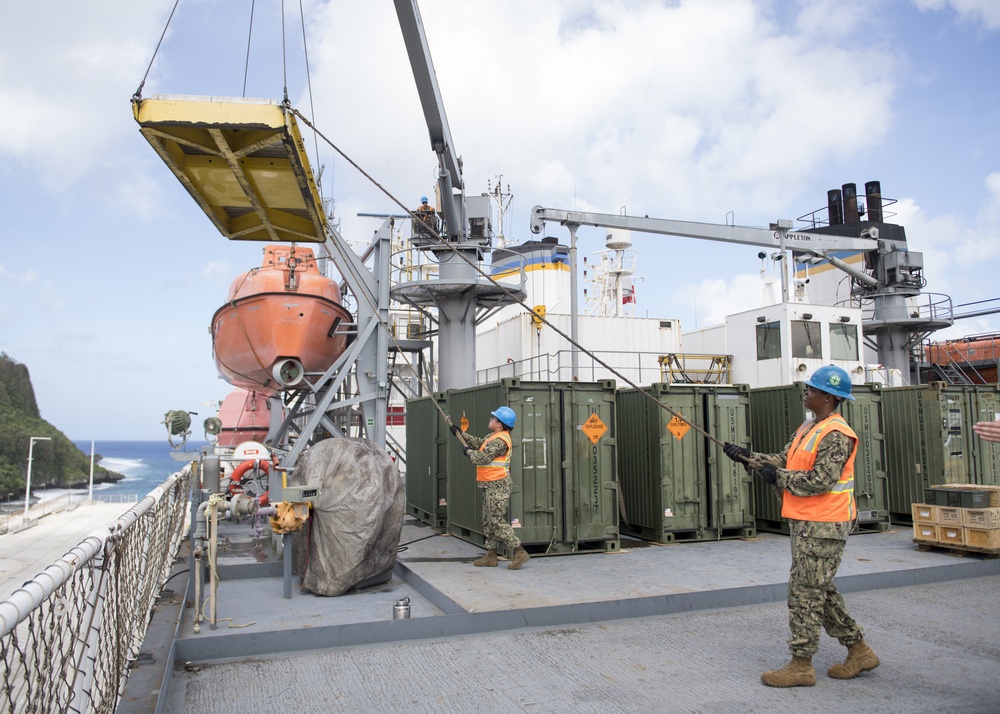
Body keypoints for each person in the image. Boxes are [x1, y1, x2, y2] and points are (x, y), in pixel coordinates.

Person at [722, 365, 879, 688]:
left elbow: (820, 480)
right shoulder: (809, 427)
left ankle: (801, 665)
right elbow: (784, 460)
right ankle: (859, 650)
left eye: (812, 389)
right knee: (819, 589)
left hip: (825, 524)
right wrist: (749, 458)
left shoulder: (836, 434)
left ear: (829, 398)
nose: (806, 392)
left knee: (804, 593)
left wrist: (776, 477)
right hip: (808, 523)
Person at [450, 407, 530, 570]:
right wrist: (461, 434)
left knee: (496, 520)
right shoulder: (493, 436)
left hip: (498, 485)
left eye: (493, 418)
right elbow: (480, 444)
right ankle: (491, 555)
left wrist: (468, 453)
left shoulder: (500, 441)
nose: (490, 419)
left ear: (499, 424)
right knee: (488, 519)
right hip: (489, 484)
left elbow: (482, 457)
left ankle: (519, 551)